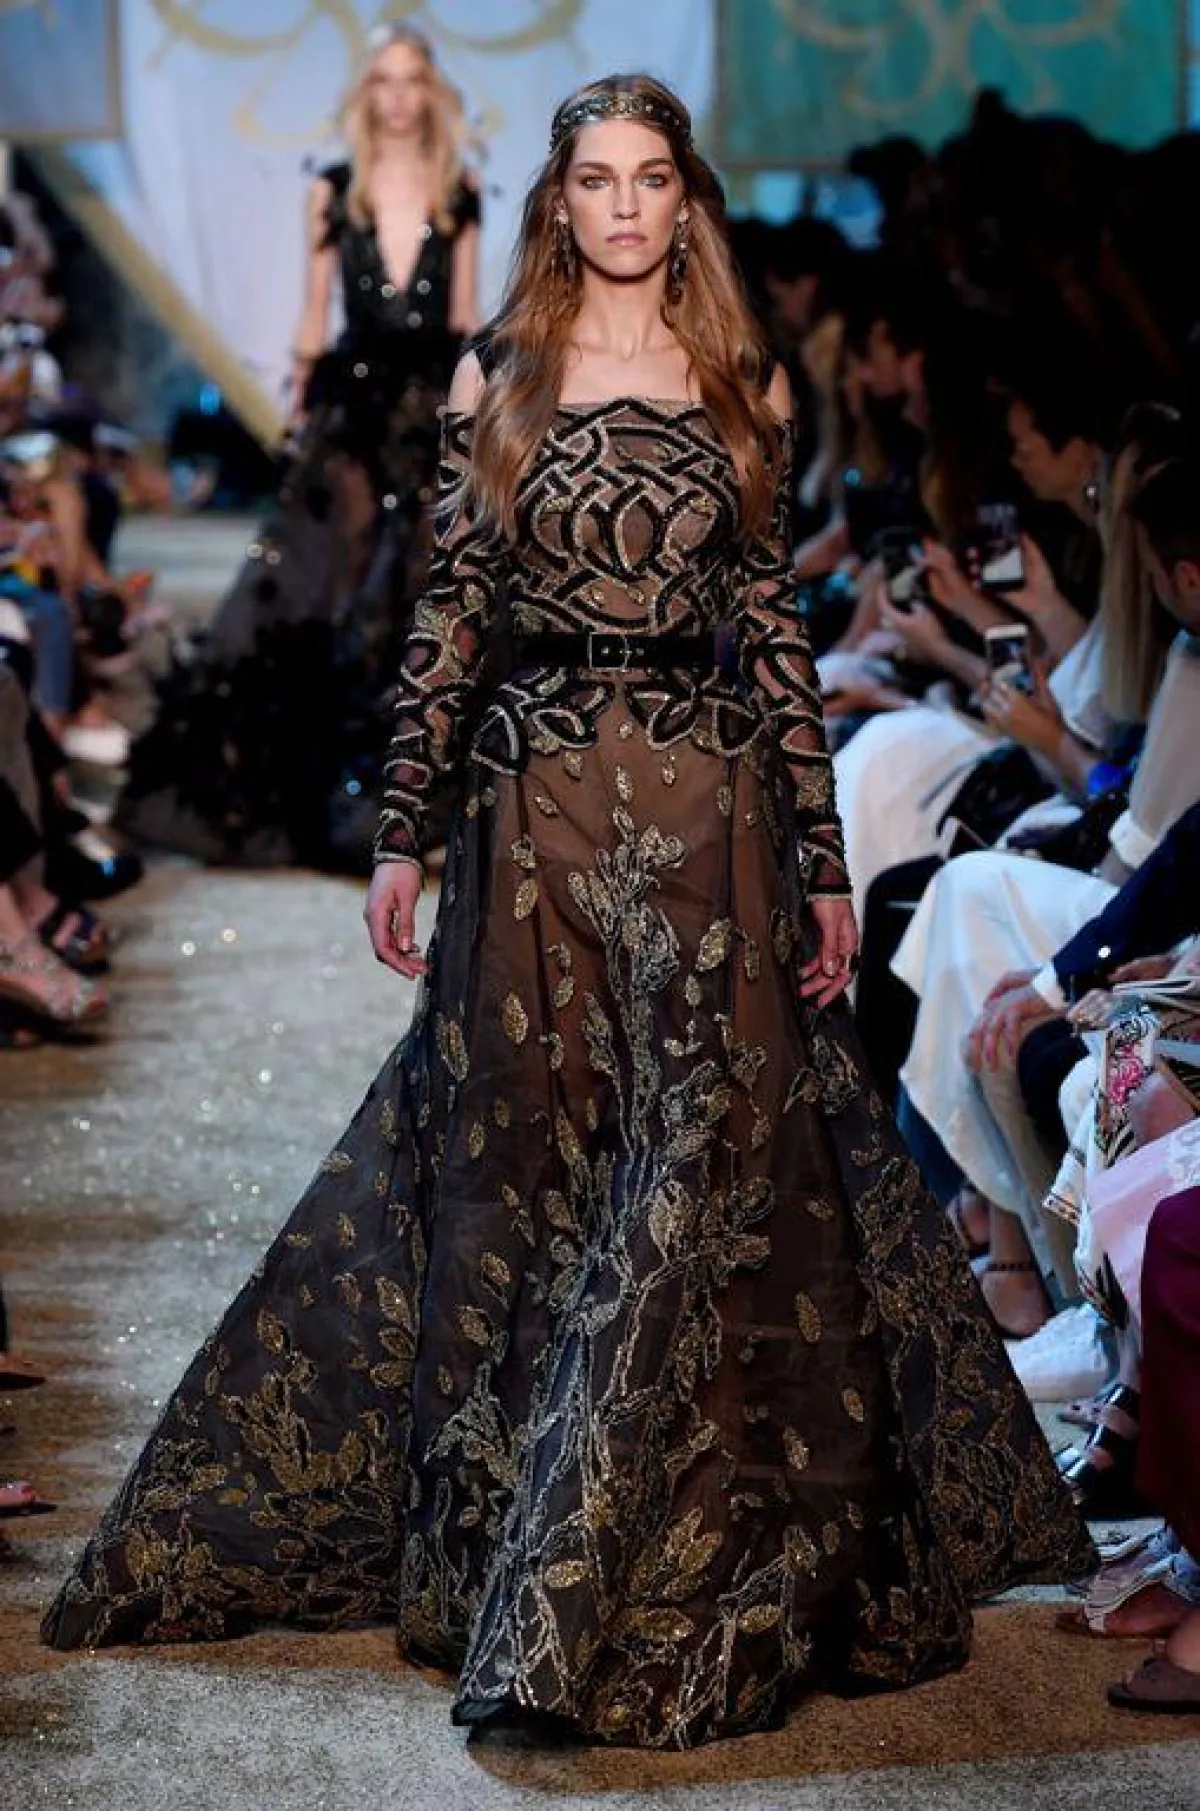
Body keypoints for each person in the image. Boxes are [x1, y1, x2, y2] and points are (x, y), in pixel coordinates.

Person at [42, 75, 1092, 1751]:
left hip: (712, 813)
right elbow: (454, 613)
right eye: (594, 179)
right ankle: (533, 1541)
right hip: (532, 810)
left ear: (684, 200)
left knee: (700, 1165)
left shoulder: (741, 379)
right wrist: (402, 834)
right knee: (542, 1161)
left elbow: (773, 639)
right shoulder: (503, 374)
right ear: (558, 202)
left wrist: (824, 861)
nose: (620, 206)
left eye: (649, 178)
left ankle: (616, 1574)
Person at [119, 24, 481, 870]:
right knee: (330, 581)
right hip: (354, 403)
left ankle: (410, 803)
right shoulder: (333, 189)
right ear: (367, 93)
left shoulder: (459, 190)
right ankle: (326, 797)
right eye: (384, 79)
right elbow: (315, 314)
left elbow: (465, 318)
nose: (398, 96)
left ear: (430, 93)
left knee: (422, 585)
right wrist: (300, 408)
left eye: (412, 80)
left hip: (432, 402)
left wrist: (476, 419)